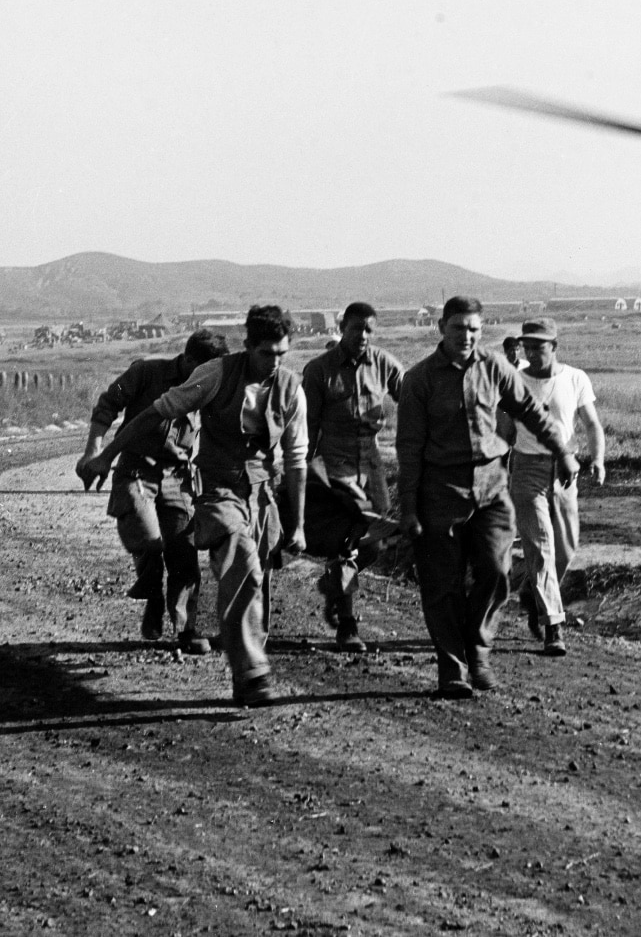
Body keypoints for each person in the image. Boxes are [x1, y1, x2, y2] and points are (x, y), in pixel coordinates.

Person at [80, 306, 307, 707]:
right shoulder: (213, 374)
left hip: (253, 492)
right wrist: (104, 455)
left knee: (250, 576)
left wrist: (299, 524)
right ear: (249, 345)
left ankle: (243, 672)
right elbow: (152, 413)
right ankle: (252, 670)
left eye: (282, 354)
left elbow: (296, 460)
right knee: (240, 565)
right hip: (208, 488)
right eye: (267, 353)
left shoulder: (290, 388)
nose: (274, 362)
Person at [396, 296, 578, 698]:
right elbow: (408, 447)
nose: (467, 336)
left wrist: (562, 450)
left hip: (492, 488)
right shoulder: (420, 379)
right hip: (440, 491)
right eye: (459, 328)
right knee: (442, 585)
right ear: (441, 327)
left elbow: (530, 410)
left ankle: (478, 649)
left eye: (475, 329)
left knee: (496, 574)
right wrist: (408, 508)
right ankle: (453, 669)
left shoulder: (495, 366)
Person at [77, 329, 230, 652]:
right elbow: (108, 403)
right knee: (148, 540)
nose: (208, 378)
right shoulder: (145, 372)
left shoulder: (213, 386)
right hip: (135, 469)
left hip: (178, 475)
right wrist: (94, 451)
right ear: (188, 360)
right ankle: (154, 596)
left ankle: (186, 631)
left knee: (183, 552)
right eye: (202, 369)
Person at [300, 301, 404, 653]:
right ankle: (347, 624)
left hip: (371, 463)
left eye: (369, 329)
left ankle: (334, 585)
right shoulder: (319, 370)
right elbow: (308, 427)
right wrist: (305, 472)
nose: (363, 336)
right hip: (335, 464)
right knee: (347, 543)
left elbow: (412, 398)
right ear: (343, 327)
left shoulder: (385, 363)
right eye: (357, 328)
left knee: (374, 542)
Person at [506, 317, 605, 657]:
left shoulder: (575, 378)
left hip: (566, 472)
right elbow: (503, 430)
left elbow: (591, 423)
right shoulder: (515, 381)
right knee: (541, 546)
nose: (532, 353)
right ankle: (553, 626)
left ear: (555, 347)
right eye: (527, 346)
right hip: (527, 469)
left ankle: (533, 595)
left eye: (539, 346)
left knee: (566, 547)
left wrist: (598, 459)